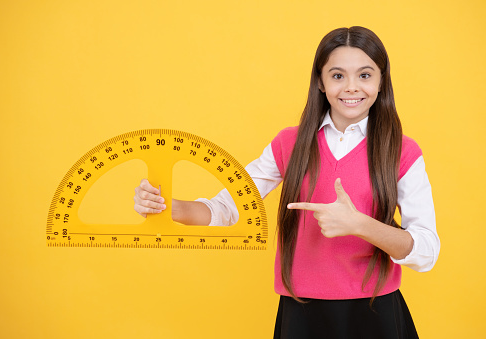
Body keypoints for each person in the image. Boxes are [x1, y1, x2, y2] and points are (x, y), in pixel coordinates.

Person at [133, 26, 440, 339]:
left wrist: (359, 224)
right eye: (337, 76)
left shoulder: (402, 151)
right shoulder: (288, 144)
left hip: (376, 316)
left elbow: (427, 251)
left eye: (364, 75)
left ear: (381, 81)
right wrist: (169, 207)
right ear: (320, 82)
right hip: (303, 315)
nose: (351, 87)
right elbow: (226, 208)